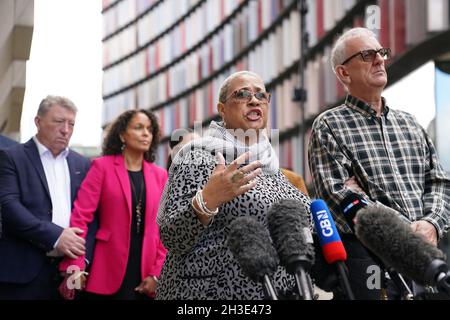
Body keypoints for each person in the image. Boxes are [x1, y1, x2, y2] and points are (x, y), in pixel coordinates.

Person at [308, 27, 450, 299]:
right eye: (366, 54)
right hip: (372, 270)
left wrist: (431, 223)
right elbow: (340, 196)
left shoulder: (410, 123)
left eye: (381, 53)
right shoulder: (328, 126)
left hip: (426, 261)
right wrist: (405, 233)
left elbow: (440, 183)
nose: (379, 59)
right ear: (343, 73)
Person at [156, 71, 312, 300]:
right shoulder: (199, 159)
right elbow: (172, 235)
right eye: (242, 94)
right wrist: (207, 200)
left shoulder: (275, 170)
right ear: (222, 109)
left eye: (261, 94)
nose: (254, 100)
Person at [59, 109, 168, 300]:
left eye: (150, 130)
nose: (145, 134)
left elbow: (165, 229)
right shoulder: (102, 166)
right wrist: (75, 265)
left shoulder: (160, 176)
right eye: (138, 127)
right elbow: (80, 218)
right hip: (105, 268)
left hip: (146, 272)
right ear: (122, 135)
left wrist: (157, 273)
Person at [0, 95, 91, 299]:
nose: (65, 130)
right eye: (59, 121)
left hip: (68, 272)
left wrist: (81, 262)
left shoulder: (83, 165)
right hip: (21, 275)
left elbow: (92, 216)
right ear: (38, 122)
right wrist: (57, 236)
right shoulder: (11, 157)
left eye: (71, 124)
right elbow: (9, 207)